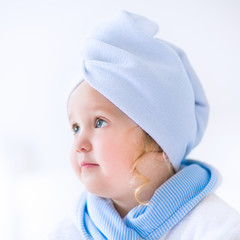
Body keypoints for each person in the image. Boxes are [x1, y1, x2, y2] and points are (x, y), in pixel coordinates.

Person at [50, 10, 240, 239]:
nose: (79, 143)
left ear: (157, 141)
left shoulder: (216, 229)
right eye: (75, 128)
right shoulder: (70, 230)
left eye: (99, 122)